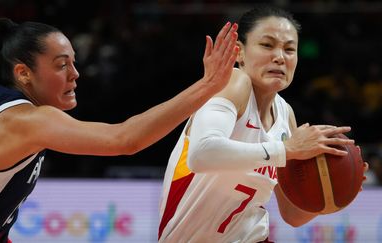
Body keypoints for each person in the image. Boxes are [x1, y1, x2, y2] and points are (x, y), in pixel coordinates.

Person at [0, 17, 239, 242]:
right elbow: (125, 139)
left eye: (73, 62)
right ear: (23, 73)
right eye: (62, 65)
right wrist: (208, 86)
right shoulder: (27, 120)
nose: (75, 74)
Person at [158, 6, 368, 243]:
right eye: (267, 45)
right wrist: (286, 150)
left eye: (290, 49)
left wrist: (332, 192)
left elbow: (292, 214)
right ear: (239, 53)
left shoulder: (284, 114)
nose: (280, 56)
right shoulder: (232, 84)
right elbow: (201, 154)